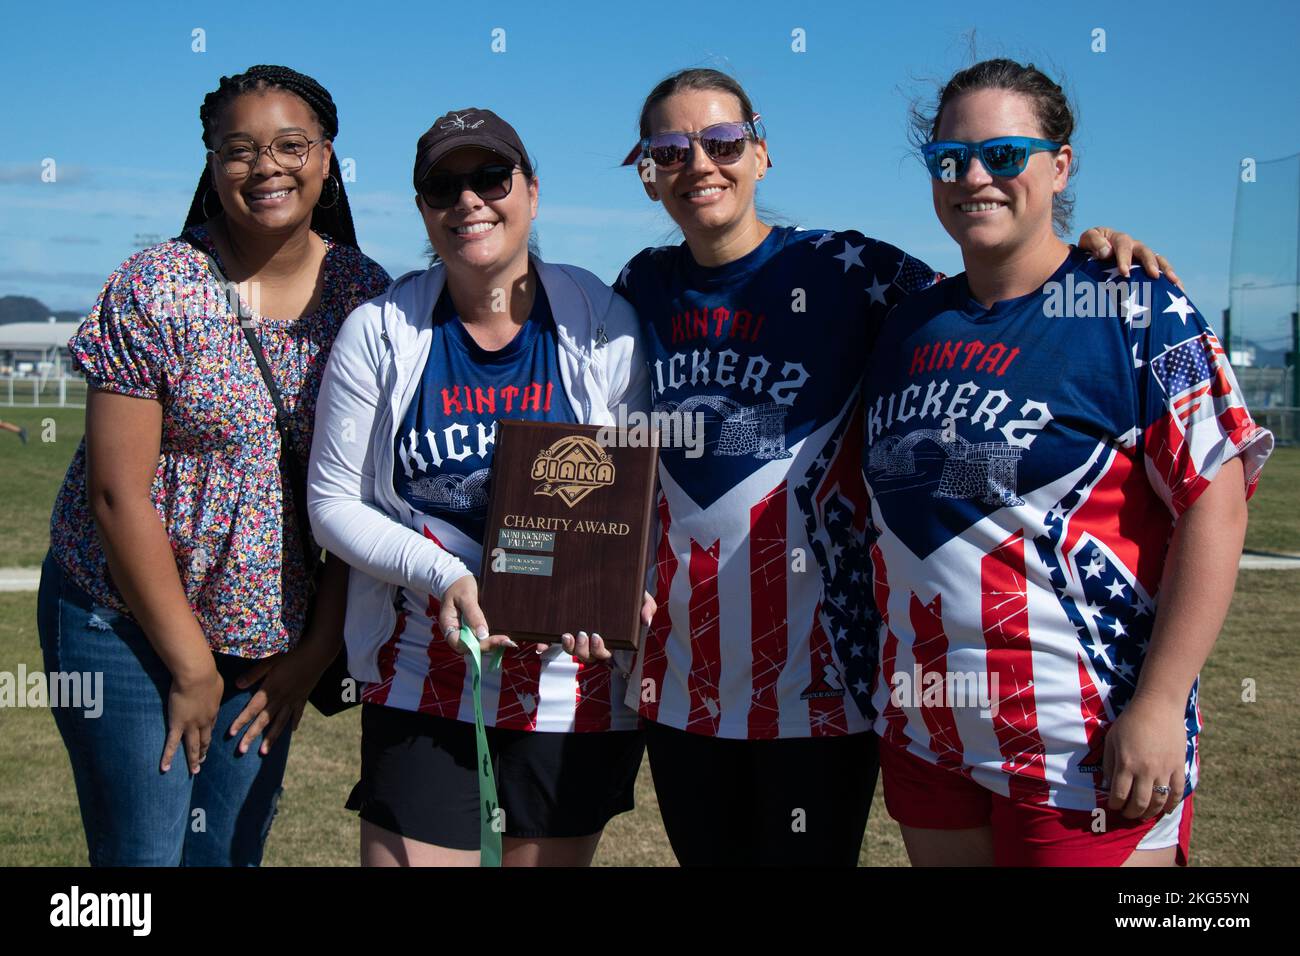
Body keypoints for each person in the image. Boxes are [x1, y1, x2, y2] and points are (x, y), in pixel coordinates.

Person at [611, 67, 1174, 866]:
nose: (698, 164)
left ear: (761, 154)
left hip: (822, 689)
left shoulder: (855, 272)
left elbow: (994, 292)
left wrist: (1085, 254)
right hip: (680, 687)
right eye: (670, 150)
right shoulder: (640, 286)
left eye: (723, 141)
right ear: (648, 173)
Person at [862, 58, 1273, 866]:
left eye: (1005, 154)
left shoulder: (1138, 305)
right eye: (949, 160)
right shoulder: (906, 324)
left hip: (1086, 743)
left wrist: (1158, 704)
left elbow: (1215, 503)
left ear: (1061, 164)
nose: (974, 176)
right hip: (927, 733)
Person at [37, 65, 391, 866]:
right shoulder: (157, 285)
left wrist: (313, 654)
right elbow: (115, 493)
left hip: (270, 643)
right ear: (211, 164)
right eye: (238, 150)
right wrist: (190, 663)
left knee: (226, 857)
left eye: (290, 145)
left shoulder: (368, 299)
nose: (265, 167)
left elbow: (365, 501)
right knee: (143, 860)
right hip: (122, 623)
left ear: (327, 159)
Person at [307, 108, 653, 867]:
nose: (469, 200)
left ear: (531, 191)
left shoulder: (603, 320)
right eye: (443, 185)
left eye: (491, 177)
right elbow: (331, 503)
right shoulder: (380, 329)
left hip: (572, 682)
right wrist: (448, 575)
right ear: (422, 207)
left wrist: (623, 586)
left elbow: (635, 495)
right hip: (423, 673)